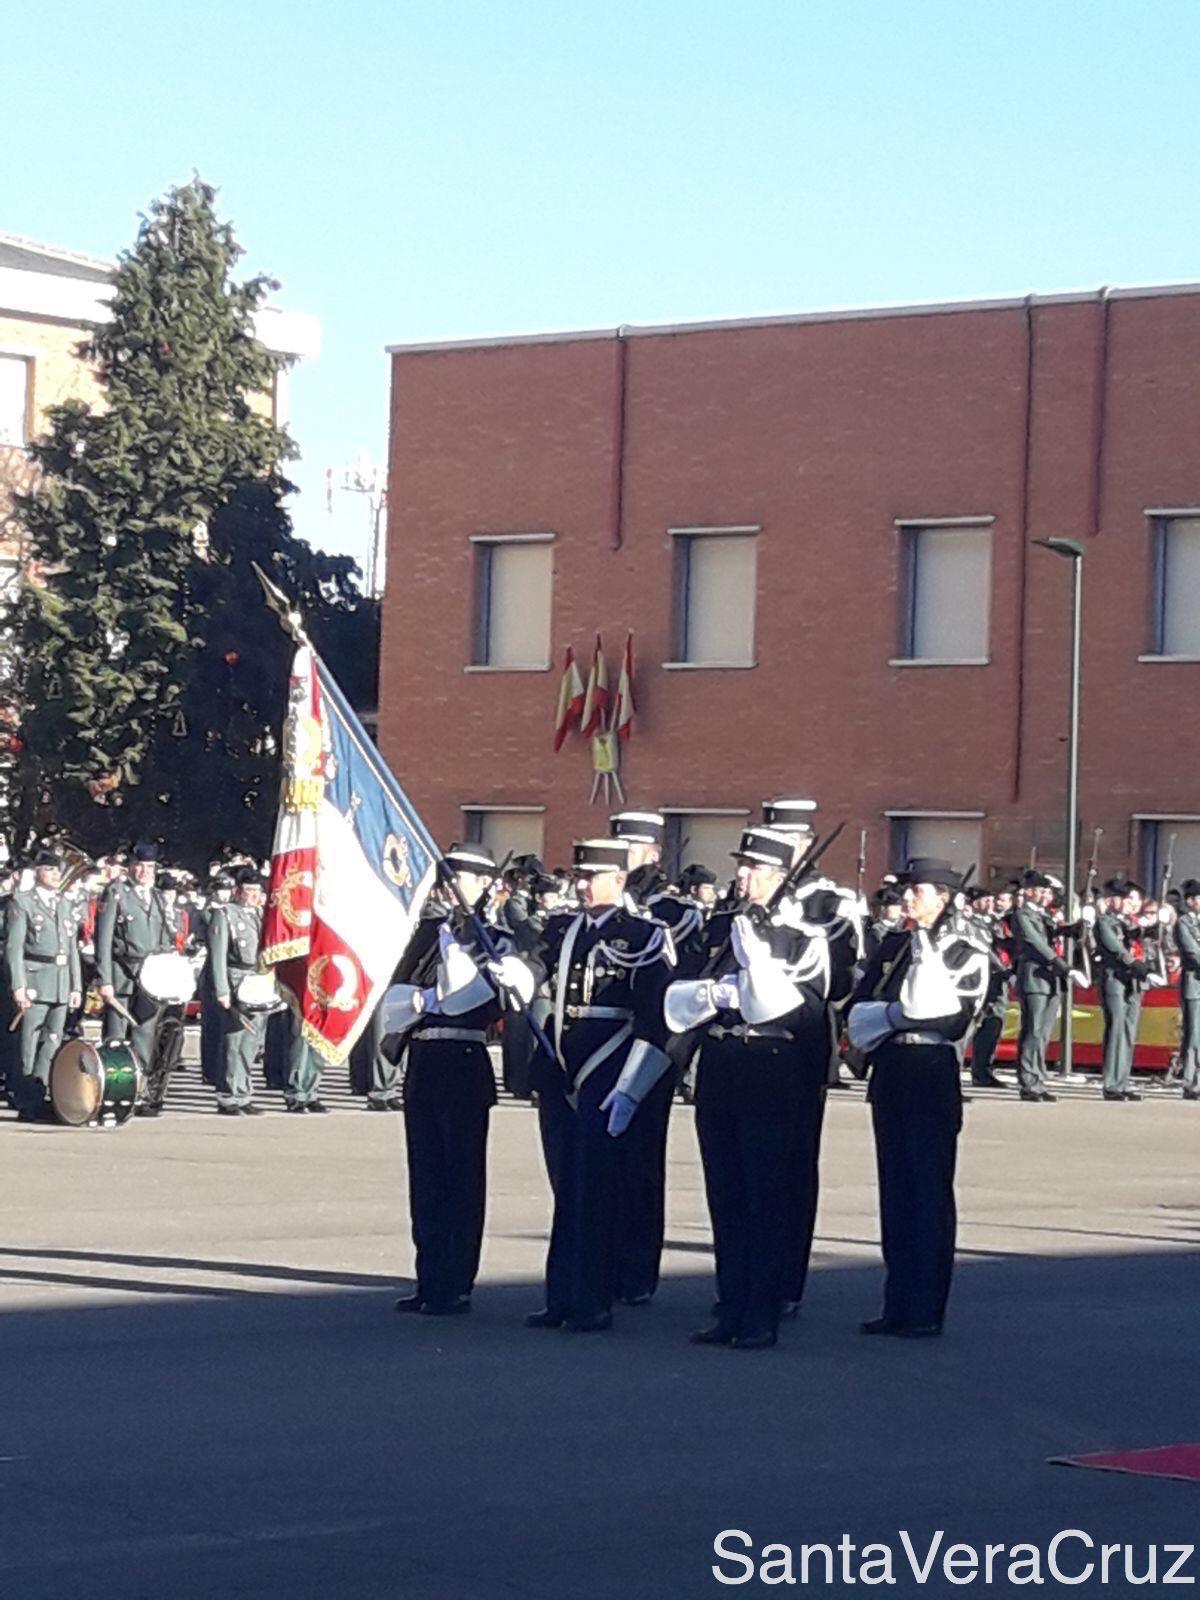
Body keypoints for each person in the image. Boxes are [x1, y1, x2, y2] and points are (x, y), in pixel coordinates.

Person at [666, 826, 841, 1350]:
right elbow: (687, 987)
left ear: (781, 875)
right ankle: (731, 1302)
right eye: (742, 866)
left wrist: (761, 968)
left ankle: (761, 1310)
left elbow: (811, 1012)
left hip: (770, 1065)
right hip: (722, 1061)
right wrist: (712, 993)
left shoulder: (804, 937)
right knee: (726, 1192)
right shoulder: (721, 927)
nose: (743, 876)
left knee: (766, 1193)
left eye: (756, 869)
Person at [522, 838, 675, 1333]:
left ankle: (594, 1297)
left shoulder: (643, 936)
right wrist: (520, 974)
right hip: (561, 1065)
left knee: (598, 1188)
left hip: (607, 1069)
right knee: (567, 1186)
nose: (583, 886)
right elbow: (539, 965)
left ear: (618, 879)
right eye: (580, 877)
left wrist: (633, 1088)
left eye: (593, 877)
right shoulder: (562, 928)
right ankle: (562, 1295)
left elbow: (654, 1020)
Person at [846, 857, 989, 1337]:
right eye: (907, 890)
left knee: (927, 1189)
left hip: (931, 1069)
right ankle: (897, 1302)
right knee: (896, 1190)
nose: (908, 899)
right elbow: (859, 1005)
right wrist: (896, 1016)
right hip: (893, 1070)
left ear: (945, 899)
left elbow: (950, 1018)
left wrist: (892, 1017)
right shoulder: (893, 943)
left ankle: (926, 1308)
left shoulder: (964, 950)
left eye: (919, 891)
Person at [383, 844, 524, 1315]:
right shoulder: (420, 934)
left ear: (483, 885)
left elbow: (483, 1003)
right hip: (423, 1057)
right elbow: (396, 994)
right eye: (447, 875)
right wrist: (419, 1003)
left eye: (459, 876)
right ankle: (429, 1278)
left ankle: (456, 1281)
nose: (447, 884)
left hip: (464, 1057)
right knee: (426, 1176)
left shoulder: (494, 938)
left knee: (461, 1176)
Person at [4, 846, 82, 1121]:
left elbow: (71, 947)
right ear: (37, 871)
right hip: (36, 975)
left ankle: (41, 1089)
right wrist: (19, 986)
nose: (54, 874)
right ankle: (26, 1099)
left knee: (52, 1040)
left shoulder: (64, 903)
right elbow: (14, 949)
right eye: (48, 869)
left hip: (60, 980)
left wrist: (76, 986)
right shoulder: (22, 902)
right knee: (28, 1042)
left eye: (56, 870)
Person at [94, 840, 176, 1080]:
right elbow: (103, 940)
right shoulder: (116, 893)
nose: (144, 872)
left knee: (145, 1032)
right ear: (130, 867)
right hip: (121, 973)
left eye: (149, 867)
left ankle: (140, 1086)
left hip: (150, 975)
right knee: (115, 1035)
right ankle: (116, 1085)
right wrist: (104, 979)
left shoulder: (158, 898)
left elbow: (164, 939)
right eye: (139, 866)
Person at [209, 865, 268, 1115]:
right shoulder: (225, 914)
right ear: (237, 890)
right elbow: (218, 955)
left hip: (258, 979)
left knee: (251, 1042)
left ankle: (244, 1093)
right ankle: (228, 1095)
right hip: (235, 979)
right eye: (248, 890)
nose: (252, 895)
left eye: (256, 890)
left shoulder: (261, 915)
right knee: (234, 1041)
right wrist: (222, 989)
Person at [1011, 870, 1073, 1102]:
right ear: (1028, 891)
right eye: (1040, 890)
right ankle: (1028, 1081)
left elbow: (1052, 933)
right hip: (1035, 977)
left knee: (1043, 1032)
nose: (1045, 894)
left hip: (1050, 979)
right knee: (1033, 1030)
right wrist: (1057, 962)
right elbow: (1033, 941)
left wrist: (1070, 929)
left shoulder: (1044, 915)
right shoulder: (1022, 914)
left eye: (1046, 890)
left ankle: (1038, 1078)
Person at [1095, 878, 1147, 1102]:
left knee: (1128, 1031)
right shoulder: (1105, 922)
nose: (1126, 903)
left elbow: (1143, 944)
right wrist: (1132, 963)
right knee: (1116, 1028)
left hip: (1133, 981)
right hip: (1114, 978)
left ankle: (1123, 1080)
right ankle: (1111, 1083)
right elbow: (1114, 947)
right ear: (1111, 900)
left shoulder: (1130, 923)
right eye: (1121, 898)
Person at [1175, 879, 1200, 1101]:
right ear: (1191, 901)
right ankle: (1191, 1083)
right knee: (1193, 1035)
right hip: (1194, 983)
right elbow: (1192, 953)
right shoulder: (1184, 923)